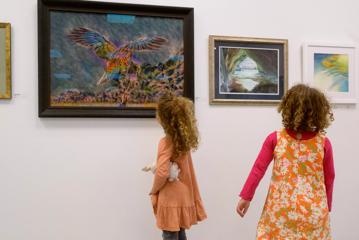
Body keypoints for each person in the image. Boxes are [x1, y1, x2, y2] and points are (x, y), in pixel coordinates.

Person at [236, 84, 335, 239]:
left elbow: (258, 169)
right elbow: (330, 177)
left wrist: (246, 196)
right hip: (313, 213)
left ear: (288, 109)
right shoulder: (323, 143)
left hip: (280, 211)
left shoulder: (275, 139)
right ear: (318, 112)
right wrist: (326, 206)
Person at [150, 94, 207, 240]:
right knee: (180, 234)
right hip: (183, 196)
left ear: (163, 118)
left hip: (170, 199)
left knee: (169, 235)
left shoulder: (166, 141)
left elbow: (162, 171)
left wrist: (154, 190)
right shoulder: (183, 141)